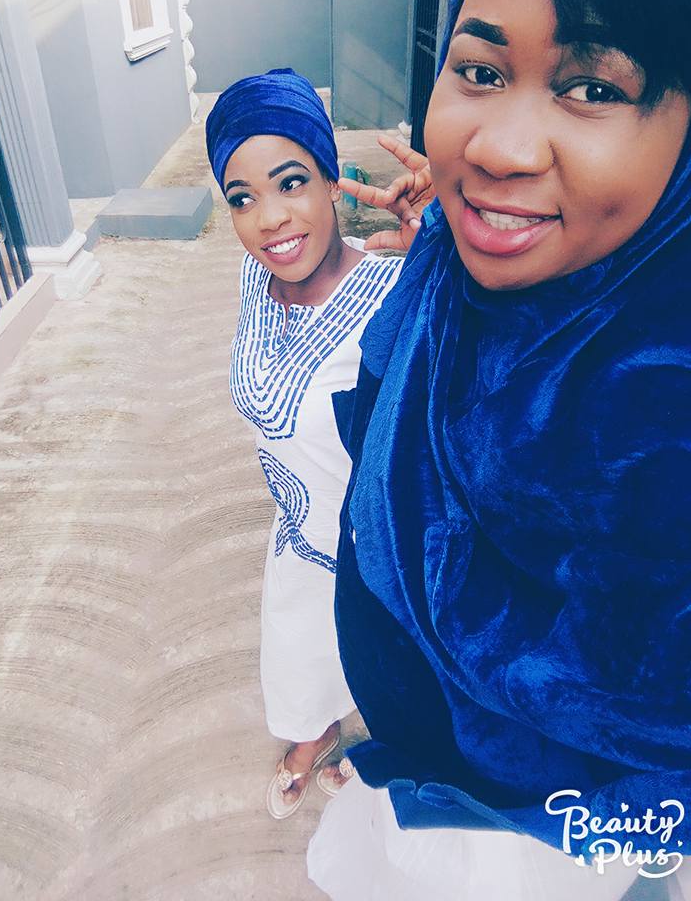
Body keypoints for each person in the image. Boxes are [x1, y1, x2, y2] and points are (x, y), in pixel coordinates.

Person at [307, 0, 691, 896]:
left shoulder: (672, 412)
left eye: (594, 89)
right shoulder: (463, 265)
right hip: (417, 775)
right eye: (481, 72)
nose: (499, 148)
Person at [205, 70, 403, 820]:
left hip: (379, 550)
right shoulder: (256, 279)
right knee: (297, 650)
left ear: (331, 179)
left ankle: (383, 747)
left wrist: (447, 270)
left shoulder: (396, 294)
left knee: (385, 667)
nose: (269, 219)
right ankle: (314, 735)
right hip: (297, 533)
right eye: (242, 198)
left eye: (290, 183)